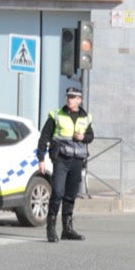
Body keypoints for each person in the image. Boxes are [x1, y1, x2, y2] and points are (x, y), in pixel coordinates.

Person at [36, 86, 94, 243]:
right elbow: (44, 137)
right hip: (61, 159)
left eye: (73, 97)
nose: (70, 99)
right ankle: (51, 228)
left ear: (79, 100)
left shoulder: (86, 117)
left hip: (77, 161)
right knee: (58, 192)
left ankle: (67, 229)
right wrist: (41, 159)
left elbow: (91, 136)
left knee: (70, 195)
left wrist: (83, 137)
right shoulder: (56, 115)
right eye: (68, 96)